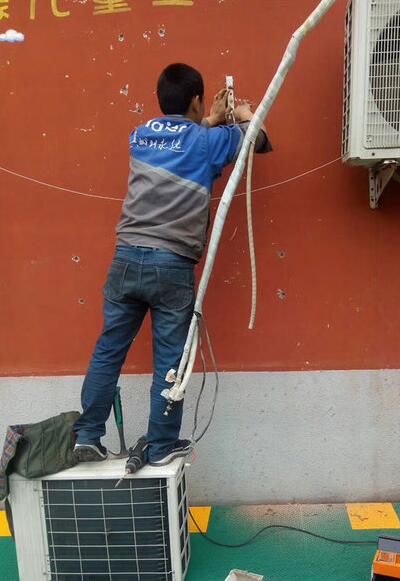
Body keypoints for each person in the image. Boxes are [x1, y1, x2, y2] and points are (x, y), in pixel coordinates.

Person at [73, 63, 272, 466]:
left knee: (108, 350)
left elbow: (181, 139)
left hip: (126, 258)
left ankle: (87, 436)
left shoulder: (140, 135)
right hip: (171, 265)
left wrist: (210, 118)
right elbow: (260, 138)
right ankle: (162, 445)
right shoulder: (207, 142)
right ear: (197, 100)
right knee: (169, 360)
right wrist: (242, 113)